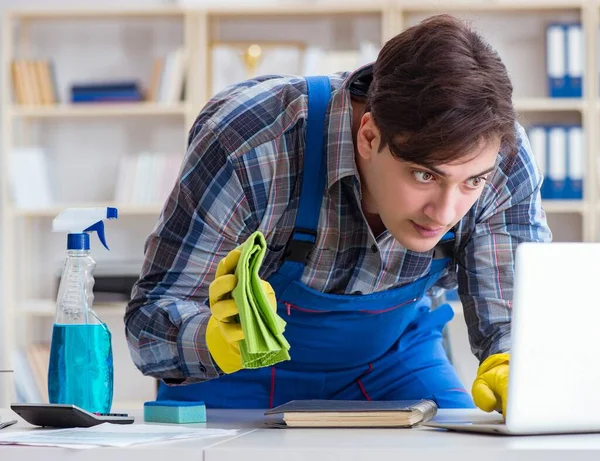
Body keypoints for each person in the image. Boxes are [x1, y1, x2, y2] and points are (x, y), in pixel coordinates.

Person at [125, 14, 551, 413]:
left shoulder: (499, 155)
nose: (445, 212)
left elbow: (511, 322)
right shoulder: (252, 142)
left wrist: (518, 363)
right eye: (424, 176)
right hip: (235, 372)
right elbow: (150, 325)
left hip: (393, 365)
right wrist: (213, 341)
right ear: (369, 136)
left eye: (471, 183)